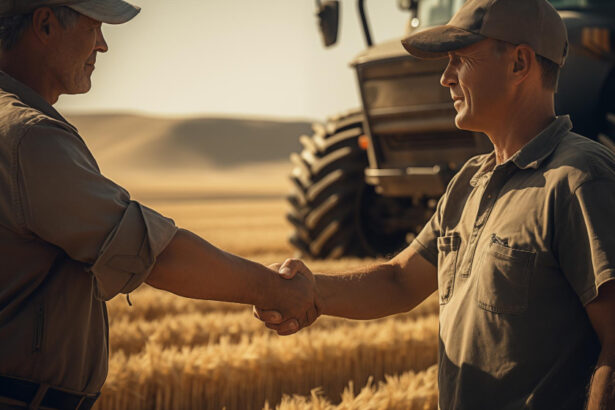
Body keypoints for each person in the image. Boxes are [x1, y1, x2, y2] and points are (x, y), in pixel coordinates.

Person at [256, 0, 615, 408]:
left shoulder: (581, 179)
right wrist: (315, 290)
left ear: (519, 63)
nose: (445, 78)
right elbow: (399, 280)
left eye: (460, 60)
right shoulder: (469, 182)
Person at [0, 1, 319, 409]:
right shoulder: (31, 139)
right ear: (45, 24)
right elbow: (151, 253)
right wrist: (272, 289)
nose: (102, 46)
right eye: (95, 27)